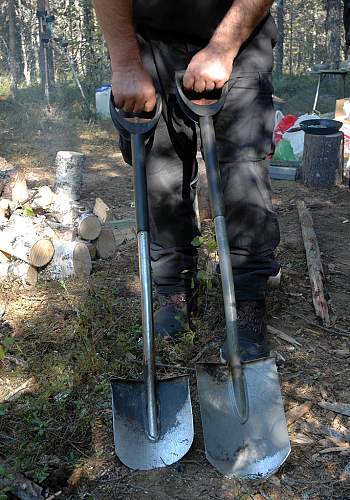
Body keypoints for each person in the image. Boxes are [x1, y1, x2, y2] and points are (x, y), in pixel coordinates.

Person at [93, 0, 280, 361]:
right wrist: (126, 64)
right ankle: (174, 292)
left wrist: (223, 47)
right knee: (159, 173)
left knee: (243, 172)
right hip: (151, 42)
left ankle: (246, 303)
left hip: (240, 34)